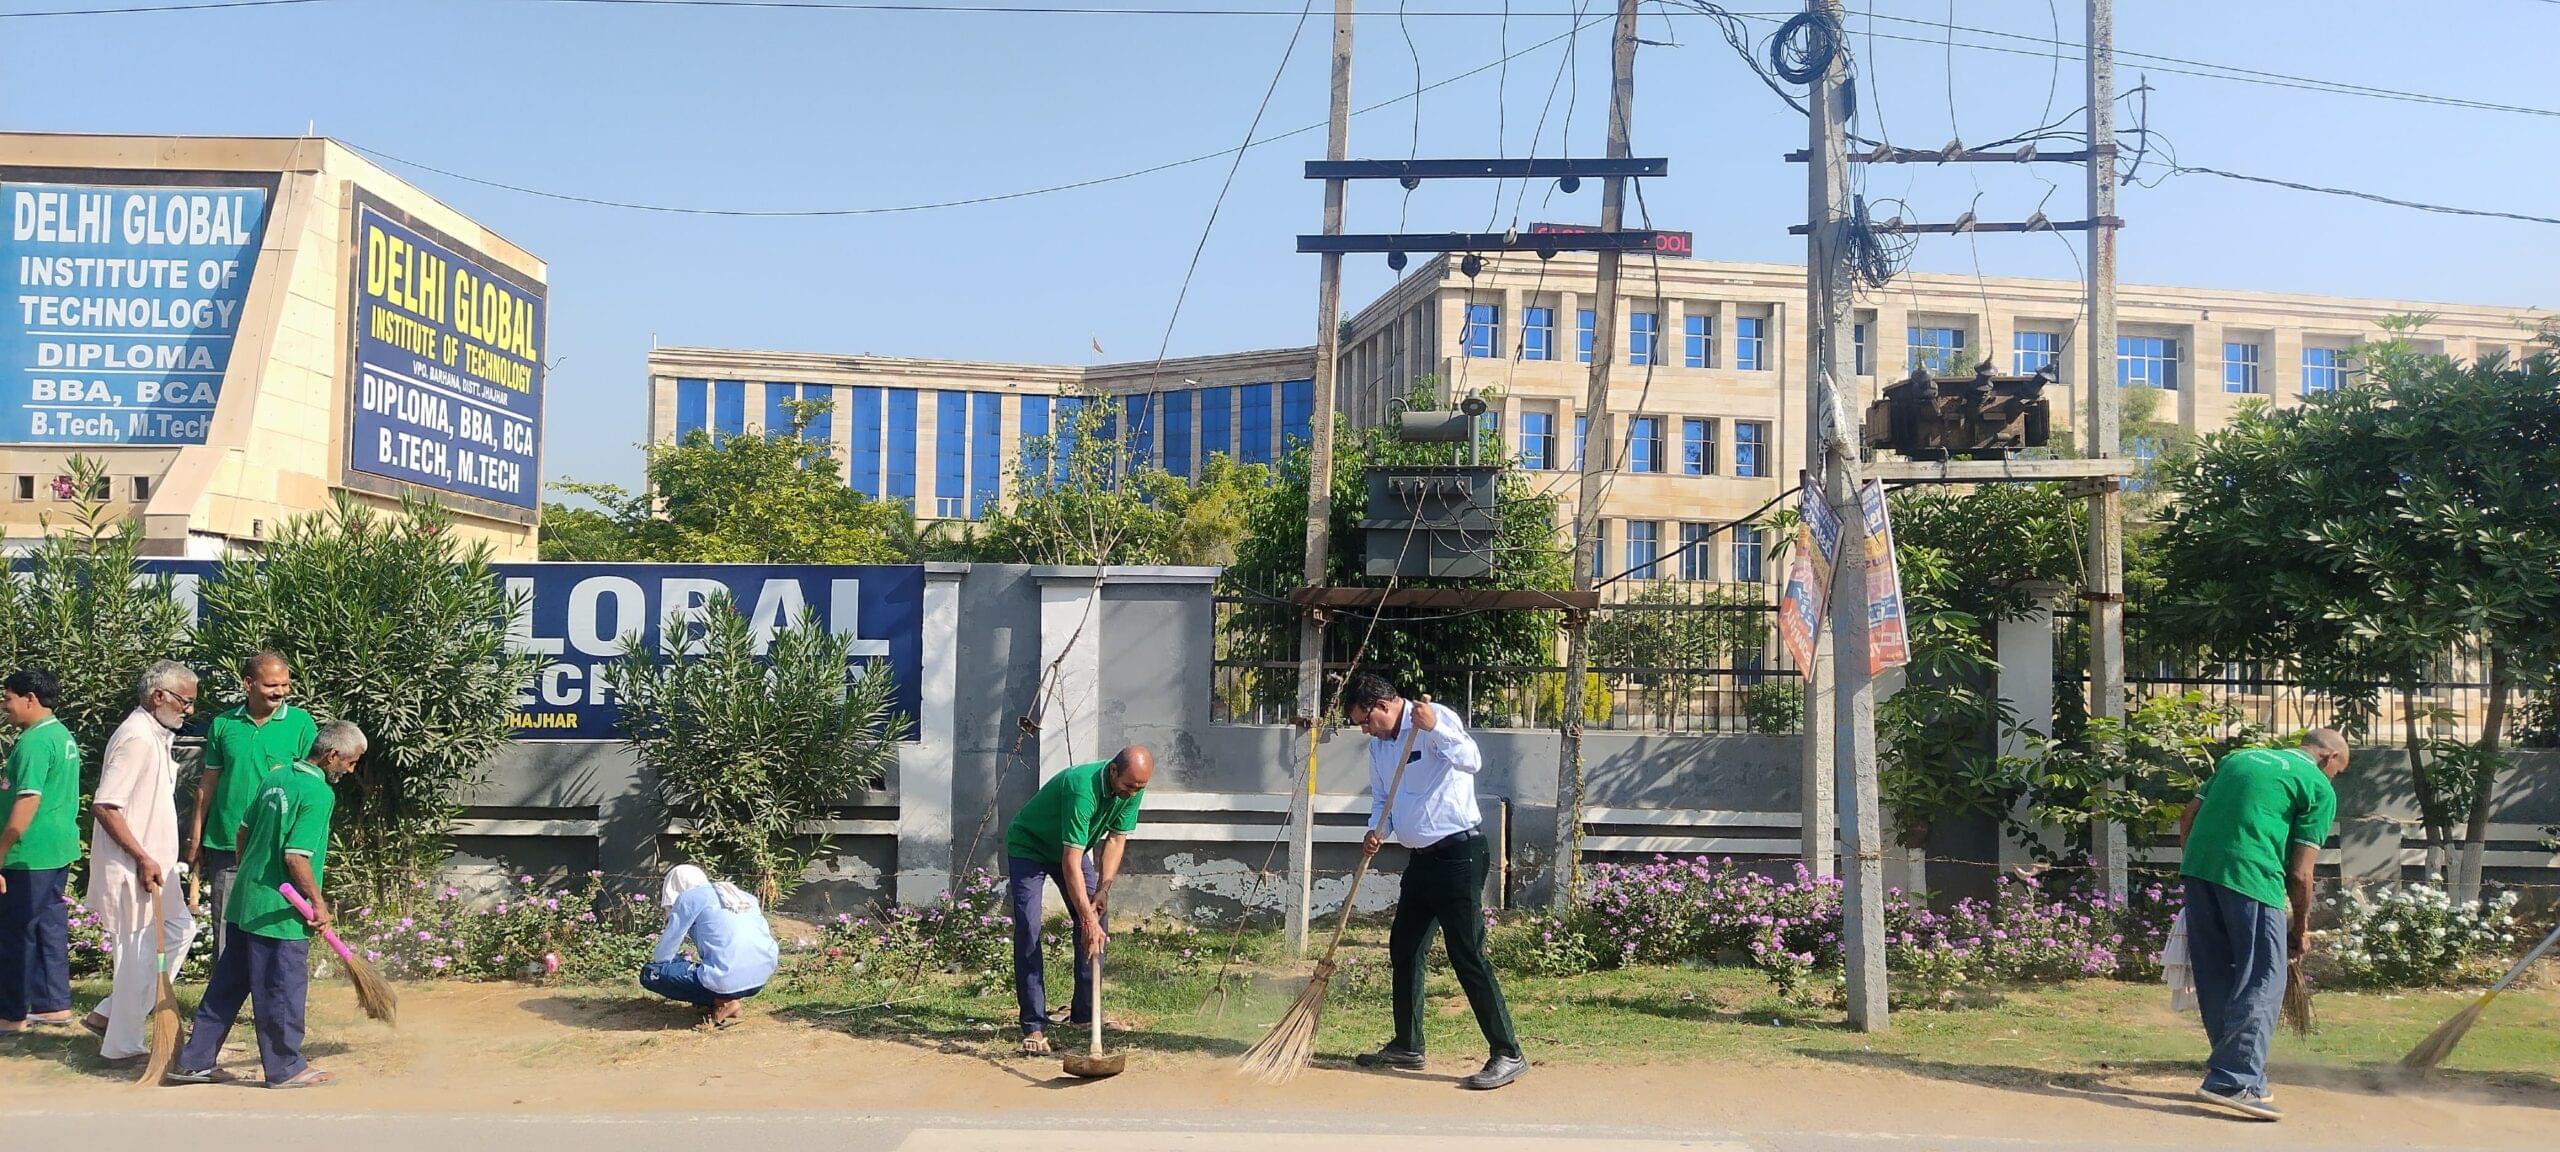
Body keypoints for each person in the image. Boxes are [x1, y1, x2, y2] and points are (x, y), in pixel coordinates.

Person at [1343, 673, 1524, 1091]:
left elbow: (1471, 761)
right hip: (1421, 860)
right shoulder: (1379, 747)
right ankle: (1408, 1044)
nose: (1366, 730)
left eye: (1366, 721)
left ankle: (1507, 1053)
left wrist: (1435, 728)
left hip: (1460, 854)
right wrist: (1377, 829)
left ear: (1384, 706)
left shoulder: (1435, 718)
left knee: (1467, 955)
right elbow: (1381, 798)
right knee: (1405, 947)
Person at [168, 720, 366, 1089]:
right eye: (351, 762)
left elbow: (242, 830)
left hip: (246, 900)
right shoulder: (317, 793)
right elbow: (296, 857)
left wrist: (249, 870)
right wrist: (318, 904)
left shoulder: (276, 777)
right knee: (283, 989)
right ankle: (285, 1068)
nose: (351, 770)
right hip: (280, 912)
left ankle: (194, 1062)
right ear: (333, 755)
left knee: (227, 985)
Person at [2175, 727, 2348, 1122]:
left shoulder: (2239, 758)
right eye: (2339, 771)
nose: (2335, 779)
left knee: (2216, 976)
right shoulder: (2317, 787)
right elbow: (2302, 874)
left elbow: (2189, 815)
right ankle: (2232, 1080)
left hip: (2200, 875)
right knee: (2264, 978)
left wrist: (2197, 866)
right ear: (2329, 758)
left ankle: (2239, 1074)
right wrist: (2299, 928)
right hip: (2253, 881)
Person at [82, 661, 202, 1058]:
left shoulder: (155, 734)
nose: (189, 710)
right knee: (136, 954)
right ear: (158, 697)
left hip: (157, 866)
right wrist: (142, 856)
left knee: (179, 929)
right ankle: (122, 1046)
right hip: (135, 867)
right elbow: (107, 805)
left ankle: (109, 1012)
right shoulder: (135, 736)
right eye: (184, 702)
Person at [1002, 745, 1151, 1056]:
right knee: (1029, 929)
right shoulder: (1082, 789)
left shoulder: (1133, 787)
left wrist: (1104, 890)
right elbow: (1070, 863)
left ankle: (1084, 1015)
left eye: (1139, 787)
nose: (1132, 793)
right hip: (1030, 847)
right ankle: (1034, 1026)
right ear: (1113, 771)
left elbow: (1116, 838)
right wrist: (1085, 919)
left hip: (1073, 850)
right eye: (1128, 786)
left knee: (1099, 921)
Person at [189, 651, 316, 961]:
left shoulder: (301, 724)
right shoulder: (222, 724)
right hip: (226, 842)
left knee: (273, 926)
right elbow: (208, 784)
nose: (281, 692)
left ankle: (269, 992)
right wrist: (195, 836)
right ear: (248, 683)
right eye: (272, 685)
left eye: (286, 685)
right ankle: (221, 1004)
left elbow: (310, 785)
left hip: (275, 848)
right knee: (226, 926)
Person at [0, 668, 81, 1034]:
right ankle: (52, 1004)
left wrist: (2, 849)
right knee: (48, 927)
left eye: (8, 698)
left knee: (17, 932)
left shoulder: (33, 742)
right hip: (56, 850)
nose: (5, 706)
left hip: (29, 853)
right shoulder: (61, 735)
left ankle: (11, 1013)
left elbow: (27, 800)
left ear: (30, 698)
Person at [641, 864, 779, 1029]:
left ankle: (723, 1002)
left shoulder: (689, 898)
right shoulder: (740, 895)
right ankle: (723, 998)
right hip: (760, 978)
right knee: (686, 964)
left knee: (650, 973)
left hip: (725, 978)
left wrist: (667, 963)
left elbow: (663, 954)